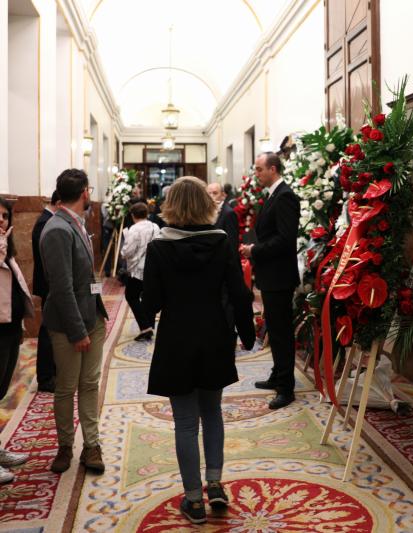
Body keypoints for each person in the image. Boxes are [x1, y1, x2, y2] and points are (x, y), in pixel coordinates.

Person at [143, 176, 255, 525]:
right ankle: (216, 484)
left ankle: (193, 500)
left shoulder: (159, 246)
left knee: (186, 423)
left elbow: (151, 304)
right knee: (214, 412)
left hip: (177, 337)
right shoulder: (221, 242)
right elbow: (239, 292)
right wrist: (247, 332)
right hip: (214, 335)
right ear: (206, 205)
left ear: (170, 205)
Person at [40, 169, 108, 475]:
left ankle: (91, 444)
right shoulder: (57, 229)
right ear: (84, 192)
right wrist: (78, 331)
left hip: (92, 316)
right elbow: (61, 287)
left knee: (90, 384)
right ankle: (66, 446)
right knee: (67, 387)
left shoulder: (76, 223)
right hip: (70, 325)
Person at [240, 152, 299, 410]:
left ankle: (286, 387)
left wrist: (255, 250)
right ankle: (278, 374)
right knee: (275, 329)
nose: (257, 173)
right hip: (271, 275)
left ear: (273, 169)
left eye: (260, 169)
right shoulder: (274, 194)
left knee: (282, 332)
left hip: (280, 276)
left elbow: (285, 240)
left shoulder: (285, 196)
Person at [0, 198, 35, 484]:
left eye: (4, 216)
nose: (1, 220)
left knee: (1, 390)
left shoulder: (6, 248)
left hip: (9, 327)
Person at [32, 190, 60, 392]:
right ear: (58, 202)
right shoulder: (45, 223)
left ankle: (51, 372)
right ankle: (45, 376)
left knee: (52, 330)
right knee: (48, 331)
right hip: (49, 284)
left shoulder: (47, 220)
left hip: (49, 283)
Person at [120, 202, 160, 341]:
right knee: (148, 297)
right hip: (153, 268)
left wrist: (122, 252)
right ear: (147, 213)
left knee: (131, 295)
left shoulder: (134, 229)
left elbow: (128, 251)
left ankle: (145, 327)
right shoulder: (155, 226)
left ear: (132, 215)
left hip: (137, 269)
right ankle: (148, 325)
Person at [207, 182, 239, 252]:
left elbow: (232, 242)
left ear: (223, 195)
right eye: (208, 194)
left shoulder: (228, 213)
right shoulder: (206, 212)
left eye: (215, 193)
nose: (211, 196)